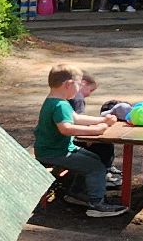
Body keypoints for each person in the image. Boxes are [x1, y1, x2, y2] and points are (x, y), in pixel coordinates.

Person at [35, 63, 129, 218]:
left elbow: (76, 118)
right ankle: (96, 205)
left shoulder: (56, 101)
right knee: (96, 167)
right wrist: (96, 130)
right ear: (69, 84)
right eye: (78, 85)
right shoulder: (59, 105)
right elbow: (66, 128)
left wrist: (102, 120)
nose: (78, 89)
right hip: (54, 153)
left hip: (59, 149)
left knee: (94, 158)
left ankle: (79, 193)